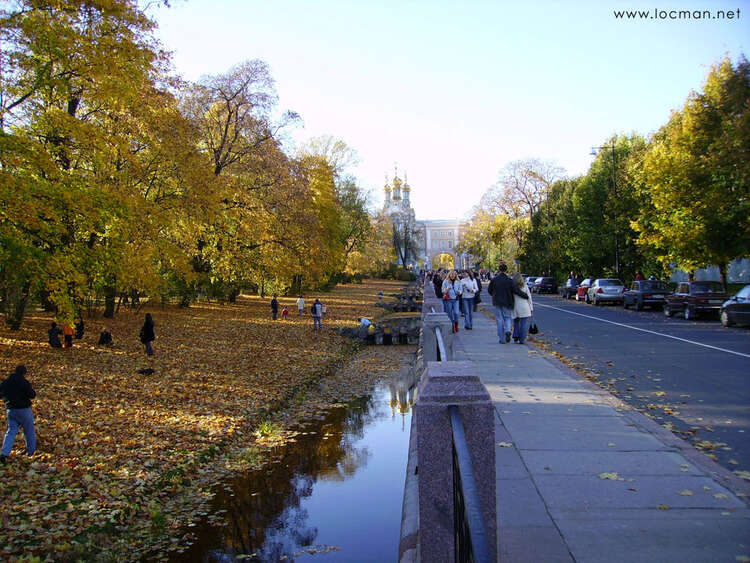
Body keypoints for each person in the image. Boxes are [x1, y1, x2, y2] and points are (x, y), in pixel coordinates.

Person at [1, 365, 36, 463]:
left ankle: (4, 453)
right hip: (24, 410)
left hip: (11, 410)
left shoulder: (6, 382)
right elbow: (32, 395)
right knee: (29, 431)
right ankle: (31, 451)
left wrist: (6, 400)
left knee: (11, 431)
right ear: (24, 373)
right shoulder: (24, 382)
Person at [487, 264, 529, 343]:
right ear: (506, 270)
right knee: (507, 318)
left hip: (497, 301)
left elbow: (489, 290)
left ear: (499, 270)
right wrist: (525, 296)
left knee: (499, 319)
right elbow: (516, 291)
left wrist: (494, 295)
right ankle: (508, 330)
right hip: (507, 302)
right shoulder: (509, 280)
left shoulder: (494, 280)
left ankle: (501, 338)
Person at [511, 272, 534, 344]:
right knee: (523, 324)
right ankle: (522, 339)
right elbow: (529, 297)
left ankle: (515, 336)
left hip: (516, 306)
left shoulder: (512, 287)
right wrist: (531, 307)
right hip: (525, 306)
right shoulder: (525, 286)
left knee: (516, 322)